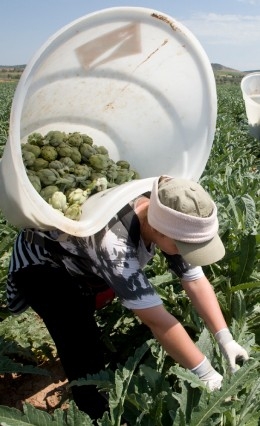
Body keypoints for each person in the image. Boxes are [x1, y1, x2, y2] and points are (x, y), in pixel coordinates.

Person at [6, 175, 249, 421]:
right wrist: (206, 374)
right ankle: (94, 410)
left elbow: (195, 280)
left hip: (82, 260)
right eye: (183, 246)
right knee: (79, 339)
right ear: (157, 229)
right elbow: (157, 320)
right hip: (42, 266)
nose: (186, 252)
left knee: (90, 314)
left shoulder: (165, 208)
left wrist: (225, 338)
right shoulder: (112, 243)